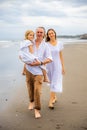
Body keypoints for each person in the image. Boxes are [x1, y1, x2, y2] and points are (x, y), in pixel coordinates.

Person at [25, 27, 52, 118]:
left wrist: (40, 62)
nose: (39, 33)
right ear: (35, 33)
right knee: (30, 87)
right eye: (38, 32)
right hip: (28, 69)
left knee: (37, 89)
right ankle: (31, 101)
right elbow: (22, 54)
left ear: (44, 34)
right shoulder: (29, 42)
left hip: (39, 70)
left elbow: (49, 58)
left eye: (41, 32)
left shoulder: (46, 46)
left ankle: (37, 109)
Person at [46, 28, 65, 109]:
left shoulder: (59, 43)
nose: (51, 34)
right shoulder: (46, 44)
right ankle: (54, 97)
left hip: (57, 66)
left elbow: (61, 56)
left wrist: (63, 67)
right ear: (48, 35)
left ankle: (50, 101)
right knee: (51, 82)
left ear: (55, 34)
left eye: (52, 33)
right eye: (49, 33)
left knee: (54, 82)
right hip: (49, 66)